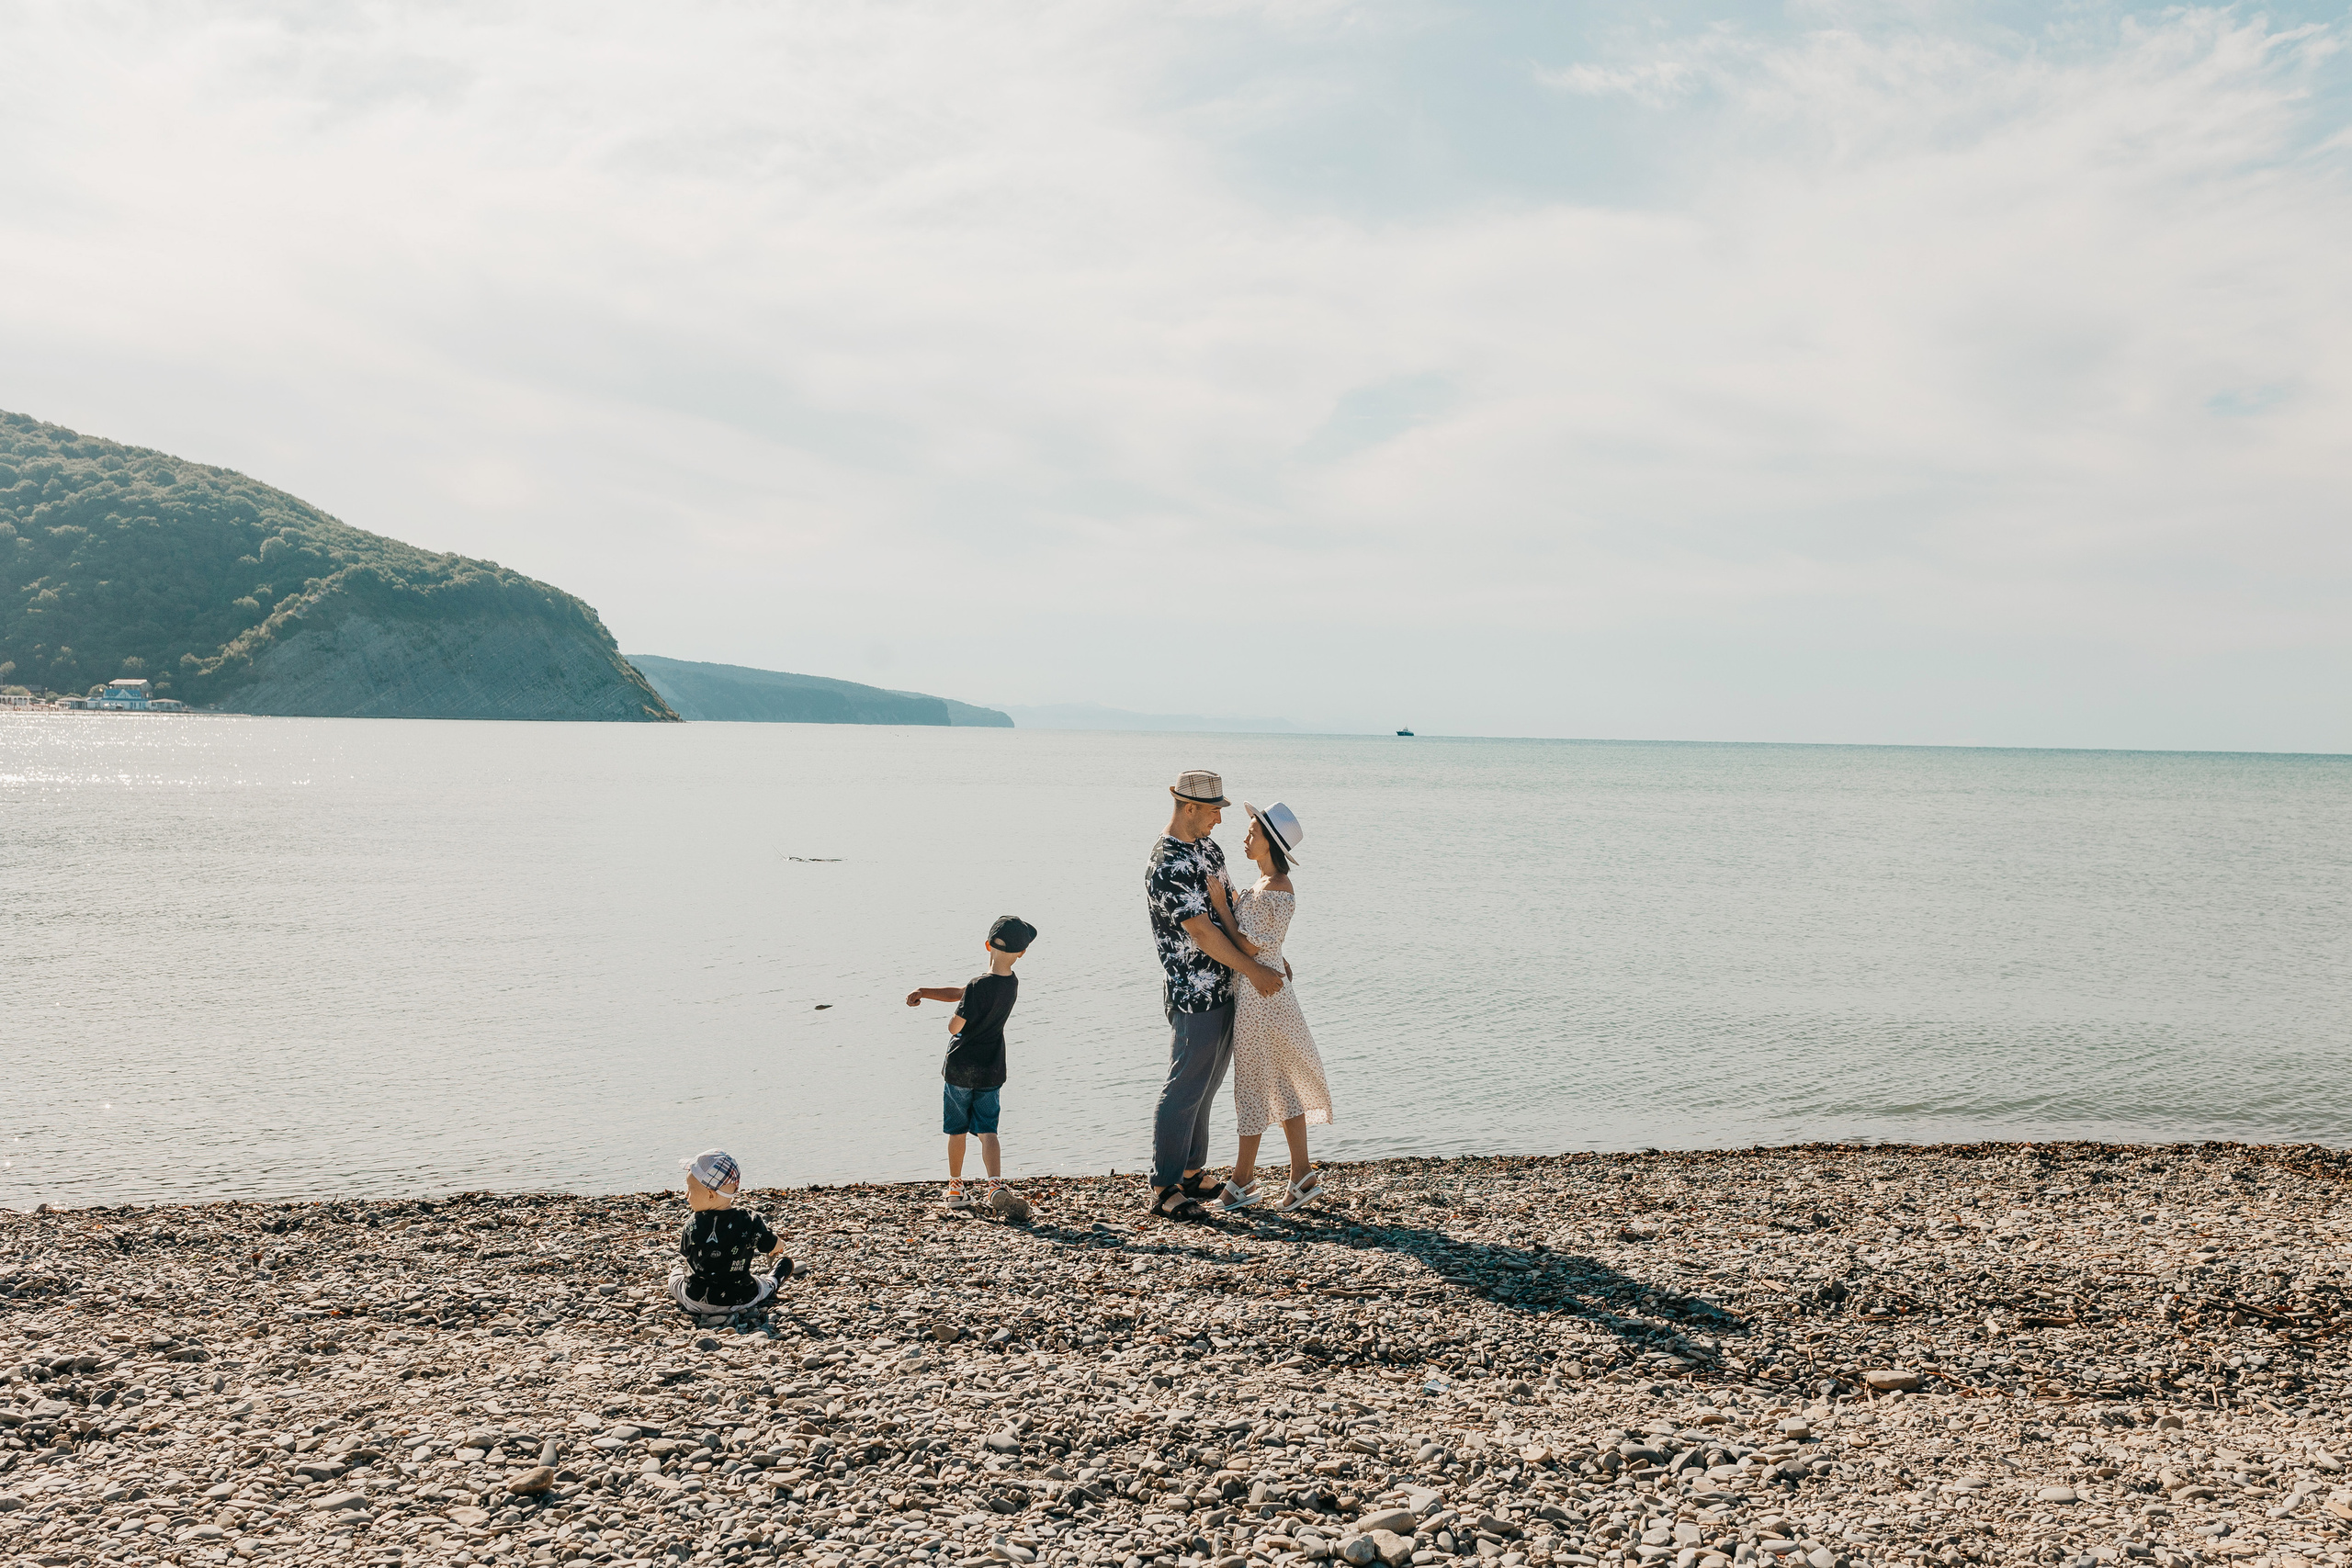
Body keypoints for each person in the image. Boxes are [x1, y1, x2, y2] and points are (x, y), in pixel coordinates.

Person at [1145, 769, 1286, 1222]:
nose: (1219, 820)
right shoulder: (1167, 863)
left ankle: (1190, 1173)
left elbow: (1234, 908)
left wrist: (1270, 954)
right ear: (1189, 808)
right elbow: (1203, 932)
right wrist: (1255, 970)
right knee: (1185, 1085)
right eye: (1212, 811)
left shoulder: (1208, 850)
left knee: (1206, 1086)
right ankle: (1164, 1186)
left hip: (1230, 985)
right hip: (1193, 992)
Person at [1216, 801, 1333, 1212]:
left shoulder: (1277, 888)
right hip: (1263, 995)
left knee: (1253, 1086)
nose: (1245, 838)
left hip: (1261, 1000)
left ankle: (1242, 1181)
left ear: (1271, 843)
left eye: (1253, 833)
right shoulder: (1266, 885)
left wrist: (1220, 907)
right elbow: (1266, 940)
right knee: (1282, 1086)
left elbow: (1248, 946)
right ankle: (1301, 1175)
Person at [906, 915, 1037, 1210]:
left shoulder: (978, 985)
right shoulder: (1010, 983)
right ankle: (995, 1186)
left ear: (987, 945)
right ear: (1021, 953)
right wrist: (924, 992)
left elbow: (955, 1025)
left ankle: (955, 1189)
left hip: (960, 1069)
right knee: (988, 1130)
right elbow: (963, 994)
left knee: (957, 1130)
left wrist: (956, 1020)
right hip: (991, 1068)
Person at [669, 1149, 791, 1320]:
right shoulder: (750, 1220)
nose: (686, 1196)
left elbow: (686, 1253)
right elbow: (770, 1244)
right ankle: (776, 1279)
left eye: (690, 1190)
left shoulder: (692, 1224)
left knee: (674, 1277)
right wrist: (778, 1246)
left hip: (694, 1300)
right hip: (740, 1298)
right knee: (763, 1285)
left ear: (710, 1195)